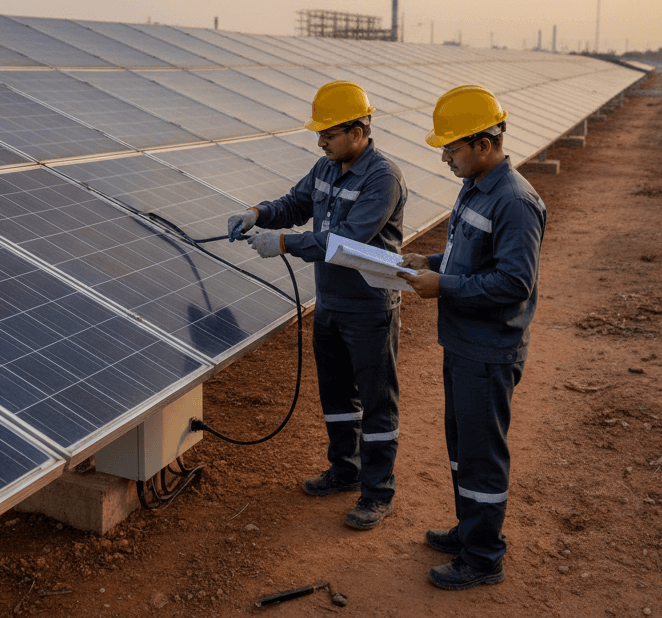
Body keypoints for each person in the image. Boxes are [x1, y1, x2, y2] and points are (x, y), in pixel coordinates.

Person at [227, 80, 407, 530]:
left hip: (369, 308)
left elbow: (344, 241)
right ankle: (344, 471)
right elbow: (296, 202)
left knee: (377, 402)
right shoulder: (326, 167)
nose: (321, 140)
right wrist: (259, 213)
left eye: (329, 132)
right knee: (336, 395)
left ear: (358, 131)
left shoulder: (382, 178)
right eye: (319, 133)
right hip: (329, 304)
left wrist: (285, 242)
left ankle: (378, 492)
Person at [396, 85, 546, 591]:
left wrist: (444, 286)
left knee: (482, 454)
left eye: (453, 148)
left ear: (484, 144)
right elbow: (469, 259)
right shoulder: (476, 186)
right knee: (461, 446)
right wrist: (431, 263)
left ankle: (484, 557)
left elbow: (512, 283)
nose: (446, 158)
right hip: (462, 344)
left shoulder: (516, 202)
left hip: (489, 351)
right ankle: (469, 529)